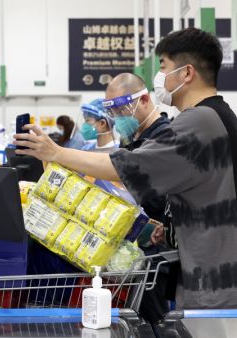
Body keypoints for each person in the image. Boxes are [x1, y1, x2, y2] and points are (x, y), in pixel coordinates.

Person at [14, 28, 237, 310]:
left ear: (187, 73)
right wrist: (169, 229)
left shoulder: (198, 122)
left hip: (213, 280)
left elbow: (125, 168)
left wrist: (56, 152)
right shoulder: (219, 116)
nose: (160, 79)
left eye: (164, 68)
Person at [104, 72, 172, 324]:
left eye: (122, 110)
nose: (118, 118)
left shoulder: (163, 138)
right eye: (113, 112)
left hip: (157, 251)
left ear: (144, 99)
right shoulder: (132, 139)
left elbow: (155, 197)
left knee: (157, 322)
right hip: (137, 248)